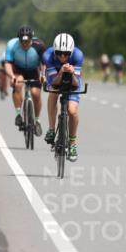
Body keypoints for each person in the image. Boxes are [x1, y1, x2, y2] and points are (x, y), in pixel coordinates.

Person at [43, 33, 84, 162]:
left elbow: (76, 83)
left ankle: (72, 144)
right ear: (54, 50)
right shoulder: (48, 56)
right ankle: (51, 129)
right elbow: (54, 83)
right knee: (53, 92)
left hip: (72, 83)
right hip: (56, 79)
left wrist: (71, 74)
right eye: (59, 53)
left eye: (66, 53)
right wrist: (61, 72)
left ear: (71, 52)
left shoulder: (78, 55)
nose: (62, 56)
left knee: (72, 111)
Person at [4, 26, 46, 134]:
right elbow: (8, 63)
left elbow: (43, 63)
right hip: (19, 70)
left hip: (33, 71)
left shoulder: (39, 45)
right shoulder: (12, 45)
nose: (25, 44)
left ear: (32, 39)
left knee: (35, 93)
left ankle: (37, 121)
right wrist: (12, 76)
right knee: (18, 84)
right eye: (22, 41)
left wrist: (43, 74)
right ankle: (18, 114)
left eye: (27, 41)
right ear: (19, 39)